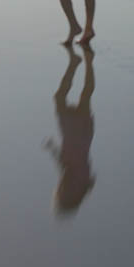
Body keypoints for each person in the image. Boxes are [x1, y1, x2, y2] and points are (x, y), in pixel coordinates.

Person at [44, 45, 96, 215]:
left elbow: (62, 161)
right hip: (76, 132)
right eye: (60, 194)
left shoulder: (80, 180)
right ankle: (82, 64)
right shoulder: (78, 179)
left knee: (80, 97)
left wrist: (52, 148)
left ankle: (81, 64)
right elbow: (66, 165)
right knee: (76, 97)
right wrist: (52, 149)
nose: (59, 189)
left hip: (76, 132)